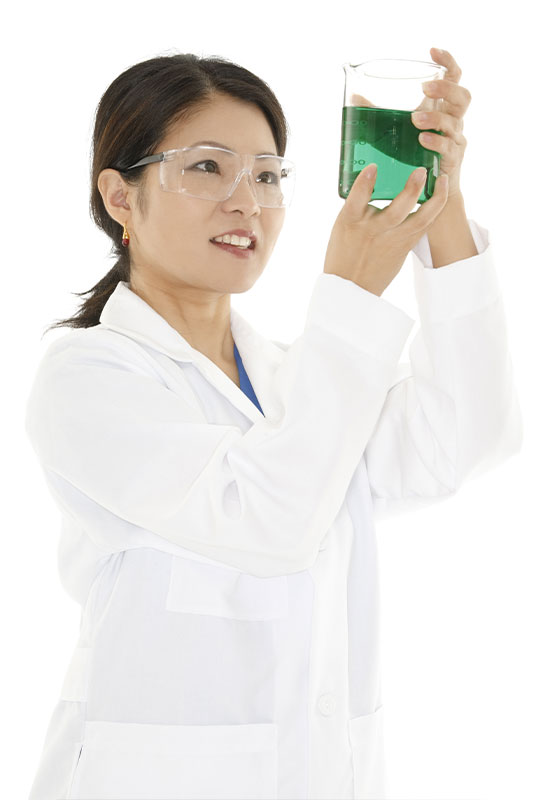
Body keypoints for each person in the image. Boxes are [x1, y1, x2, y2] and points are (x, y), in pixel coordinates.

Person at [24, 49, 522, 800]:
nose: (246, 202)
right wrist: (350, 291)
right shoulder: (89, 380)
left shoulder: (300, 378)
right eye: (205, 168)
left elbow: (466, 437)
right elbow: (269, 520)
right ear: (121, 196)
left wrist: (441, 206)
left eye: (266, 175)